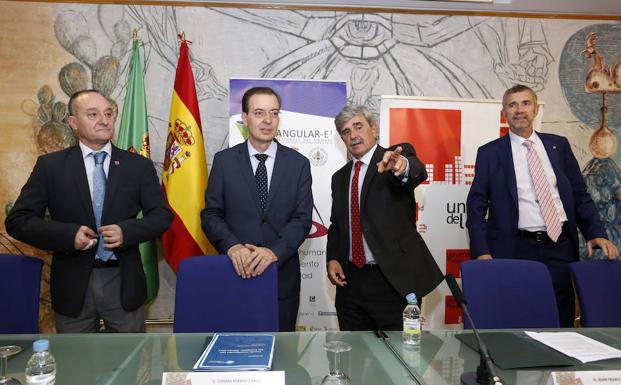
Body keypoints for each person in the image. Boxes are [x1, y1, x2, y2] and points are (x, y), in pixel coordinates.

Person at [5, 89, 172, 333]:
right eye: (92, 114)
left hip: (123, 282)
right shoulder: (51, 167)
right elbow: (18, 221)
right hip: (73, 286)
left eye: (108, 113)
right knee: (76, 365)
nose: (104, 120)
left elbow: (162, 215)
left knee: (129, 365)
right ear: (73, 122)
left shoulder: (137, 166)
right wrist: (67, 235)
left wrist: (127, 231)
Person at [466, 84, 618, 327]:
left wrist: (596, 233)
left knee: (560, 317)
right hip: (515, 247)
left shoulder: (558, 146)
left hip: (559, 245)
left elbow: (579, 195)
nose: (519, 110)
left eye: (525, 103)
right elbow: (475, 205)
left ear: (535, 109)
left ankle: (560, 365)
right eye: (512, 105)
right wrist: (481, 251)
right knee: (517, 314)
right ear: (504, 112)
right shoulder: (490, 153)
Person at [201, 86, 313, 331]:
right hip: (235, 273)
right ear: (244, 118)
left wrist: (273, 251)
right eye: (259, 113)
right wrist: (232, 246)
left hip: (281, 278)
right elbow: (211, 215)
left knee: (282, 357)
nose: (268, 120)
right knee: (235, 355)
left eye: (274, 113)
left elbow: (302, 219)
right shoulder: (224, 161)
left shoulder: (299, 164)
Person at [326, 104, 443, 331]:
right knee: (354, 358)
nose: (353, 135)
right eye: (346, 131)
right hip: (351, 284)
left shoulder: (392, 159)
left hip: (392, 281)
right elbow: (337, 225)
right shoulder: (339, 178)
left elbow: (415, 170)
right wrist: (332, 258)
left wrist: (401, 166)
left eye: (358, 126)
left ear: (374, 128)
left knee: (401, 359)